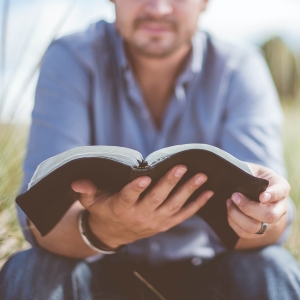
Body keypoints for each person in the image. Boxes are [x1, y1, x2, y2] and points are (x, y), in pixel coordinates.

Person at [1, 0, 300, 299]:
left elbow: (272, 229)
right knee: (33, 269)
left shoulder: (240, 67)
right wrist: (104, 231)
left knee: (271, 266)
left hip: (207, 269)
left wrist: (263, 213)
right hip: (94, 269)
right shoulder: (71, 57)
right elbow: (38, 223)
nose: (158, 8)